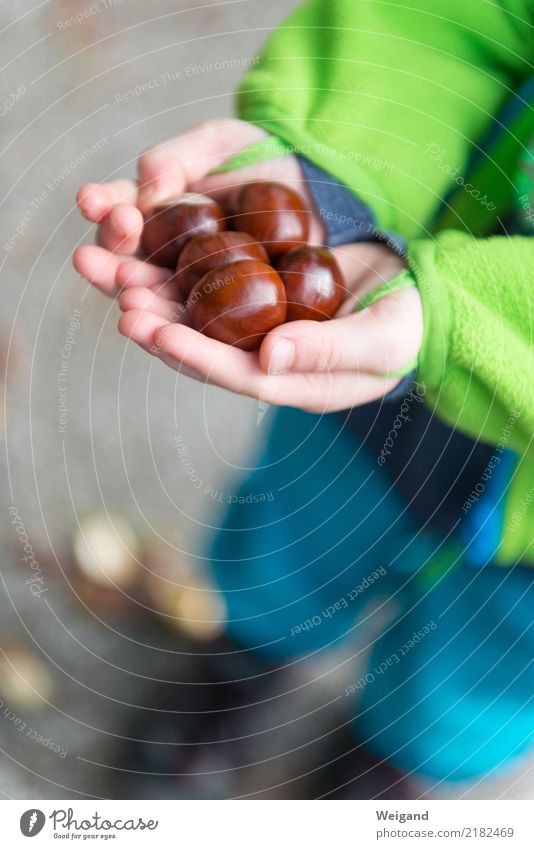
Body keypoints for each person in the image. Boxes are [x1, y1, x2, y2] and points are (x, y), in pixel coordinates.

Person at [74, 0, 534, 792]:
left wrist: (474, 319)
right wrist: (340, 178)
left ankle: (391, 773)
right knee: (296, 541)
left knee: (480, 674)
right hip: (380, 355)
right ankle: (234, 670)